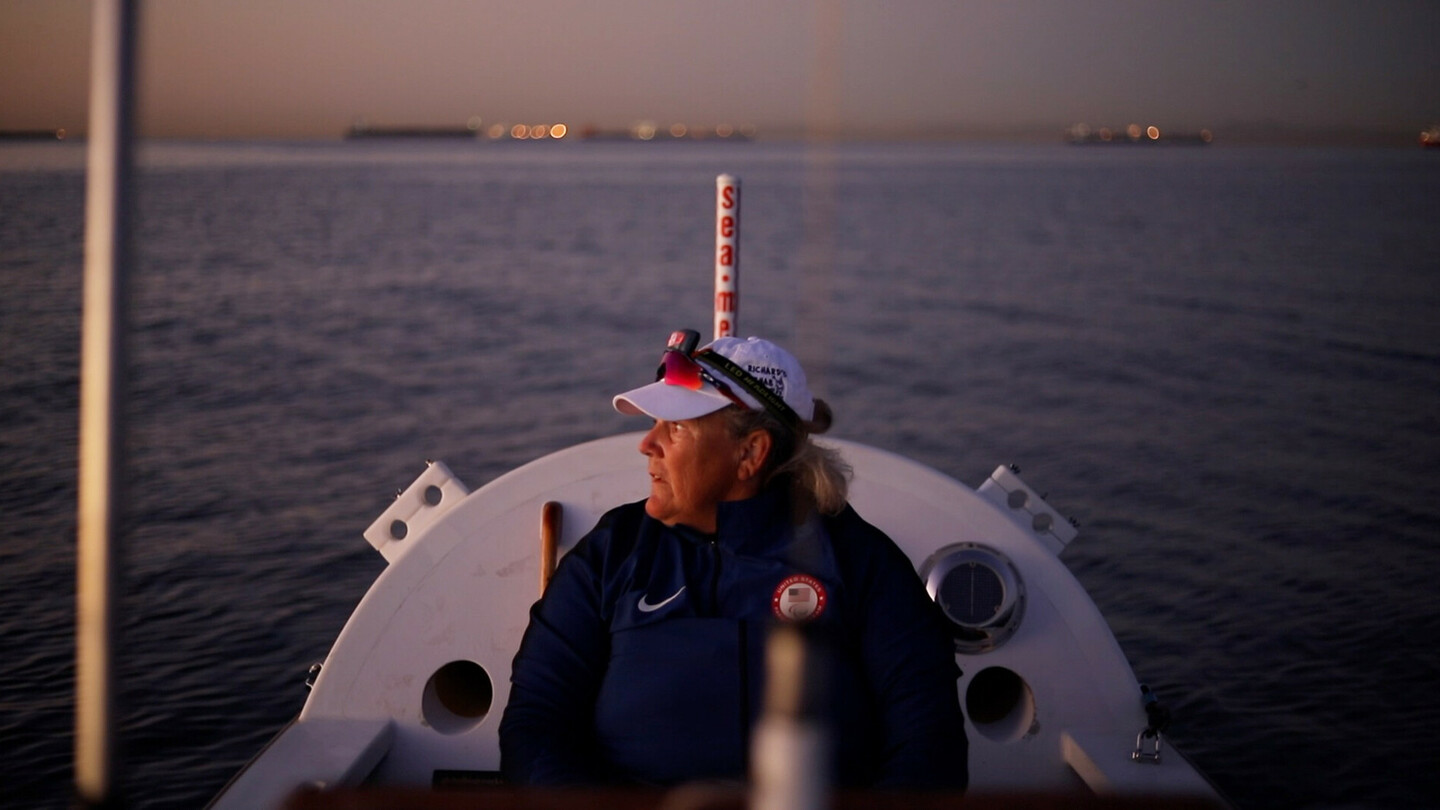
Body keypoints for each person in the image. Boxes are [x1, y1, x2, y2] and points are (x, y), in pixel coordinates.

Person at [499, 329, 968, 790]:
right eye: (654, 424)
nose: (647, 444)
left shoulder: (861, 563)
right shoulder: (612, 553)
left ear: (750, 453)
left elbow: (930, 745)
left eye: (676, 427)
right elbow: (536, 723)